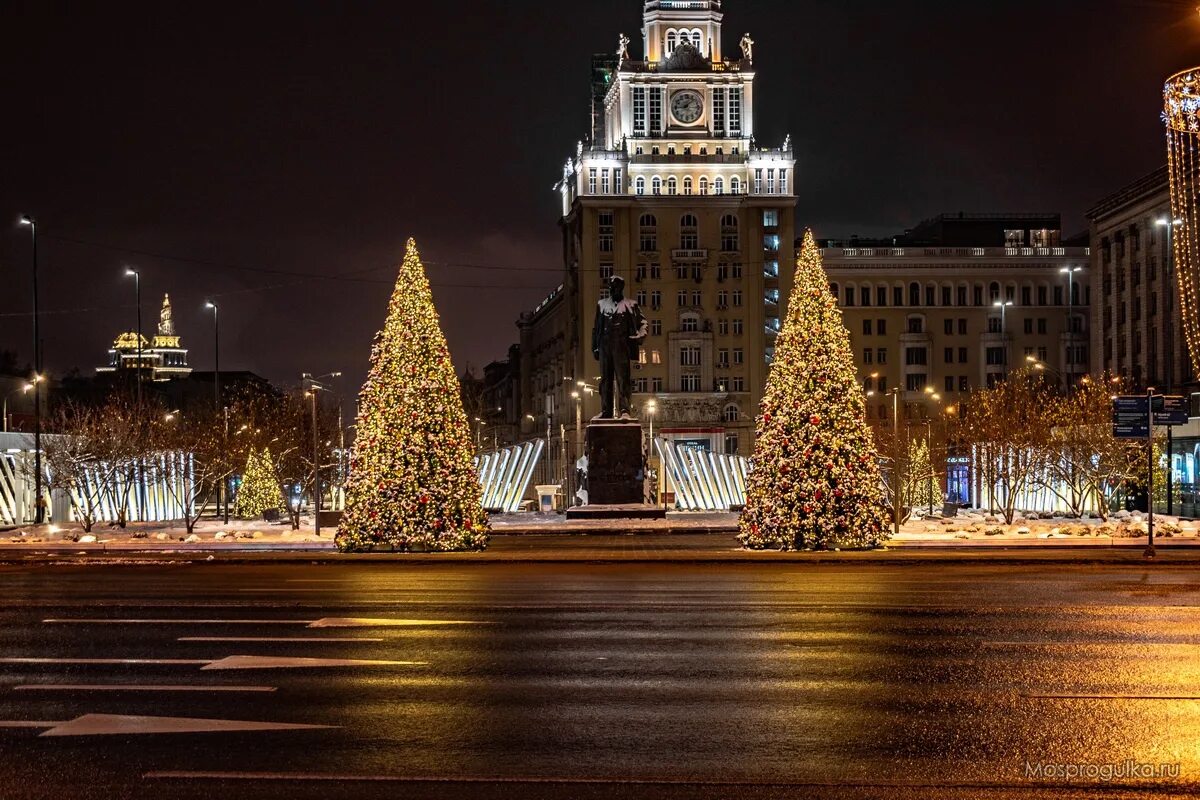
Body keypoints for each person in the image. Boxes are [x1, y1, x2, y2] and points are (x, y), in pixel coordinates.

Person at [592, 276, 647, 420]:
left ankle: (624, 410)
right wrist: (595, 347)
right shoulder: (602, 304)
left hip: (622, 345)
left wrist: (639, 336)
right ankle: (606, 411)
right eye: (611, 286)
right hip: (605, 345)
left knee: (623, 379)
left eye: (616, 286)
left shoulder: (631, 304)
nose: (613, 289)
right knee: (605, 380)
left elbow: (643, 323)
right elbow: (596, 328)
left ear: (621, 287)